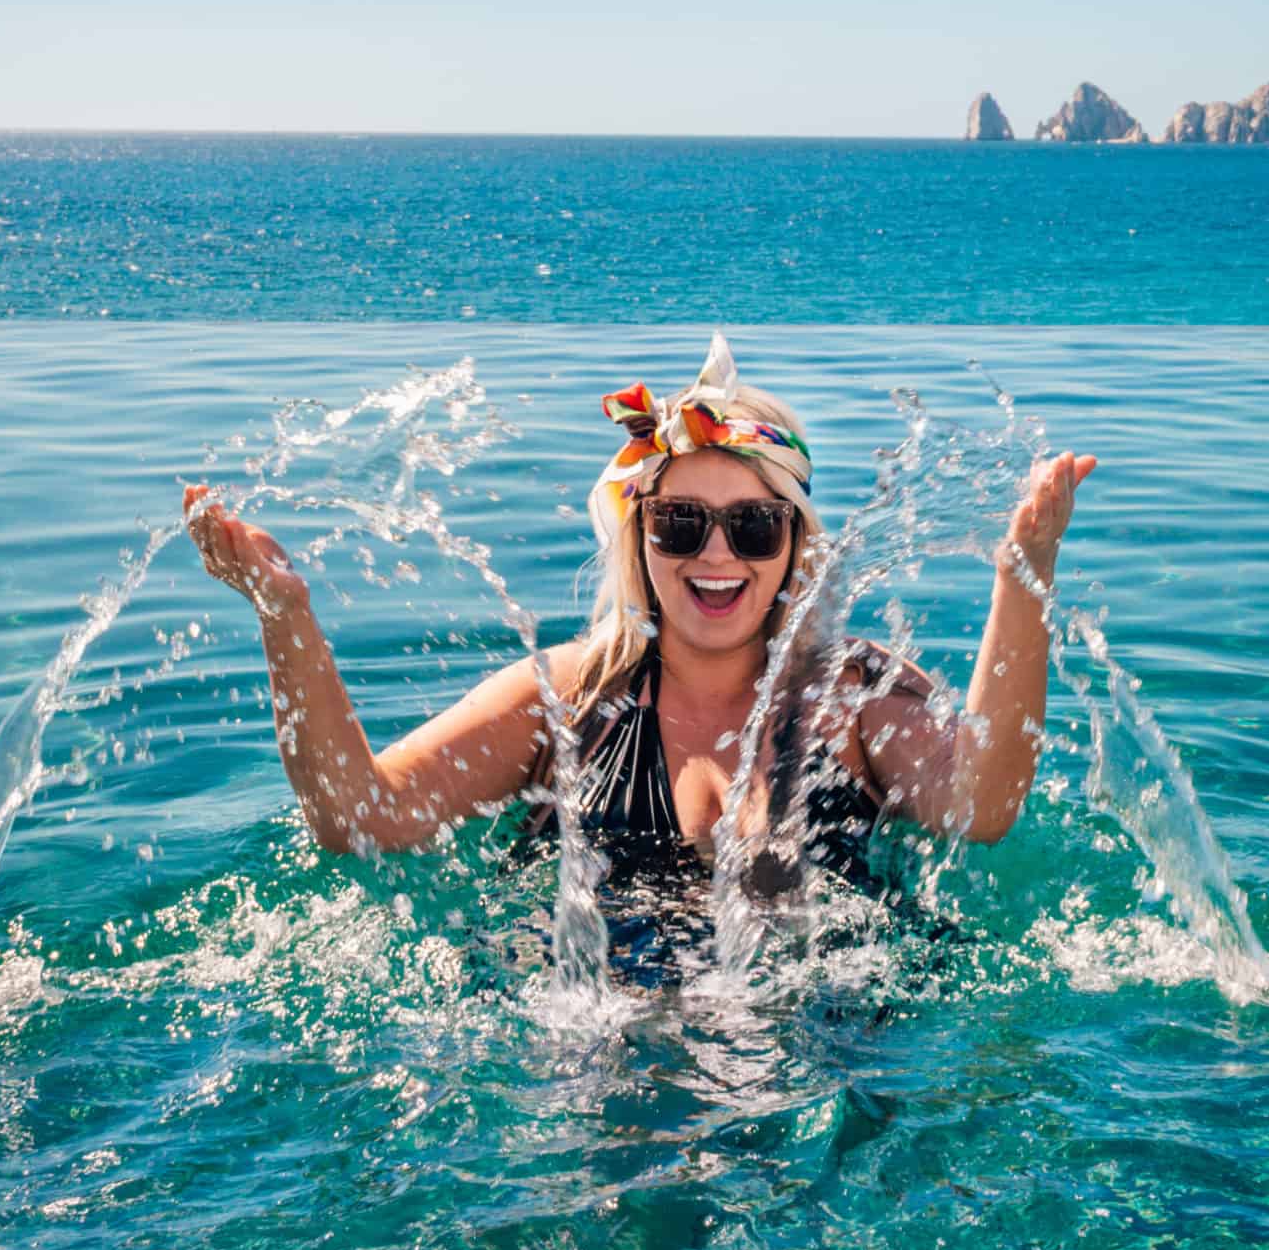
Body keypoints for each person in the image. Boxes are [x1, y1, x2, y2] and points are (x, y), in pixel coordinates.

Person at [183, 335, 1094, 878]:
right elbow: (358, 820)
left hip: (815, 1036)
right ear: (636, 538)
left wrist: (1023, 577)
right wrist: (285, 618)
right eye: (681, 523)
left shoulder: (851, 694)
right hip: (596, 1040)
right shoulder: (570, 696)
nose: (715, 556)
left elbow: (983, 804)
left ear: (795, 546)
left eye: (753, 528)